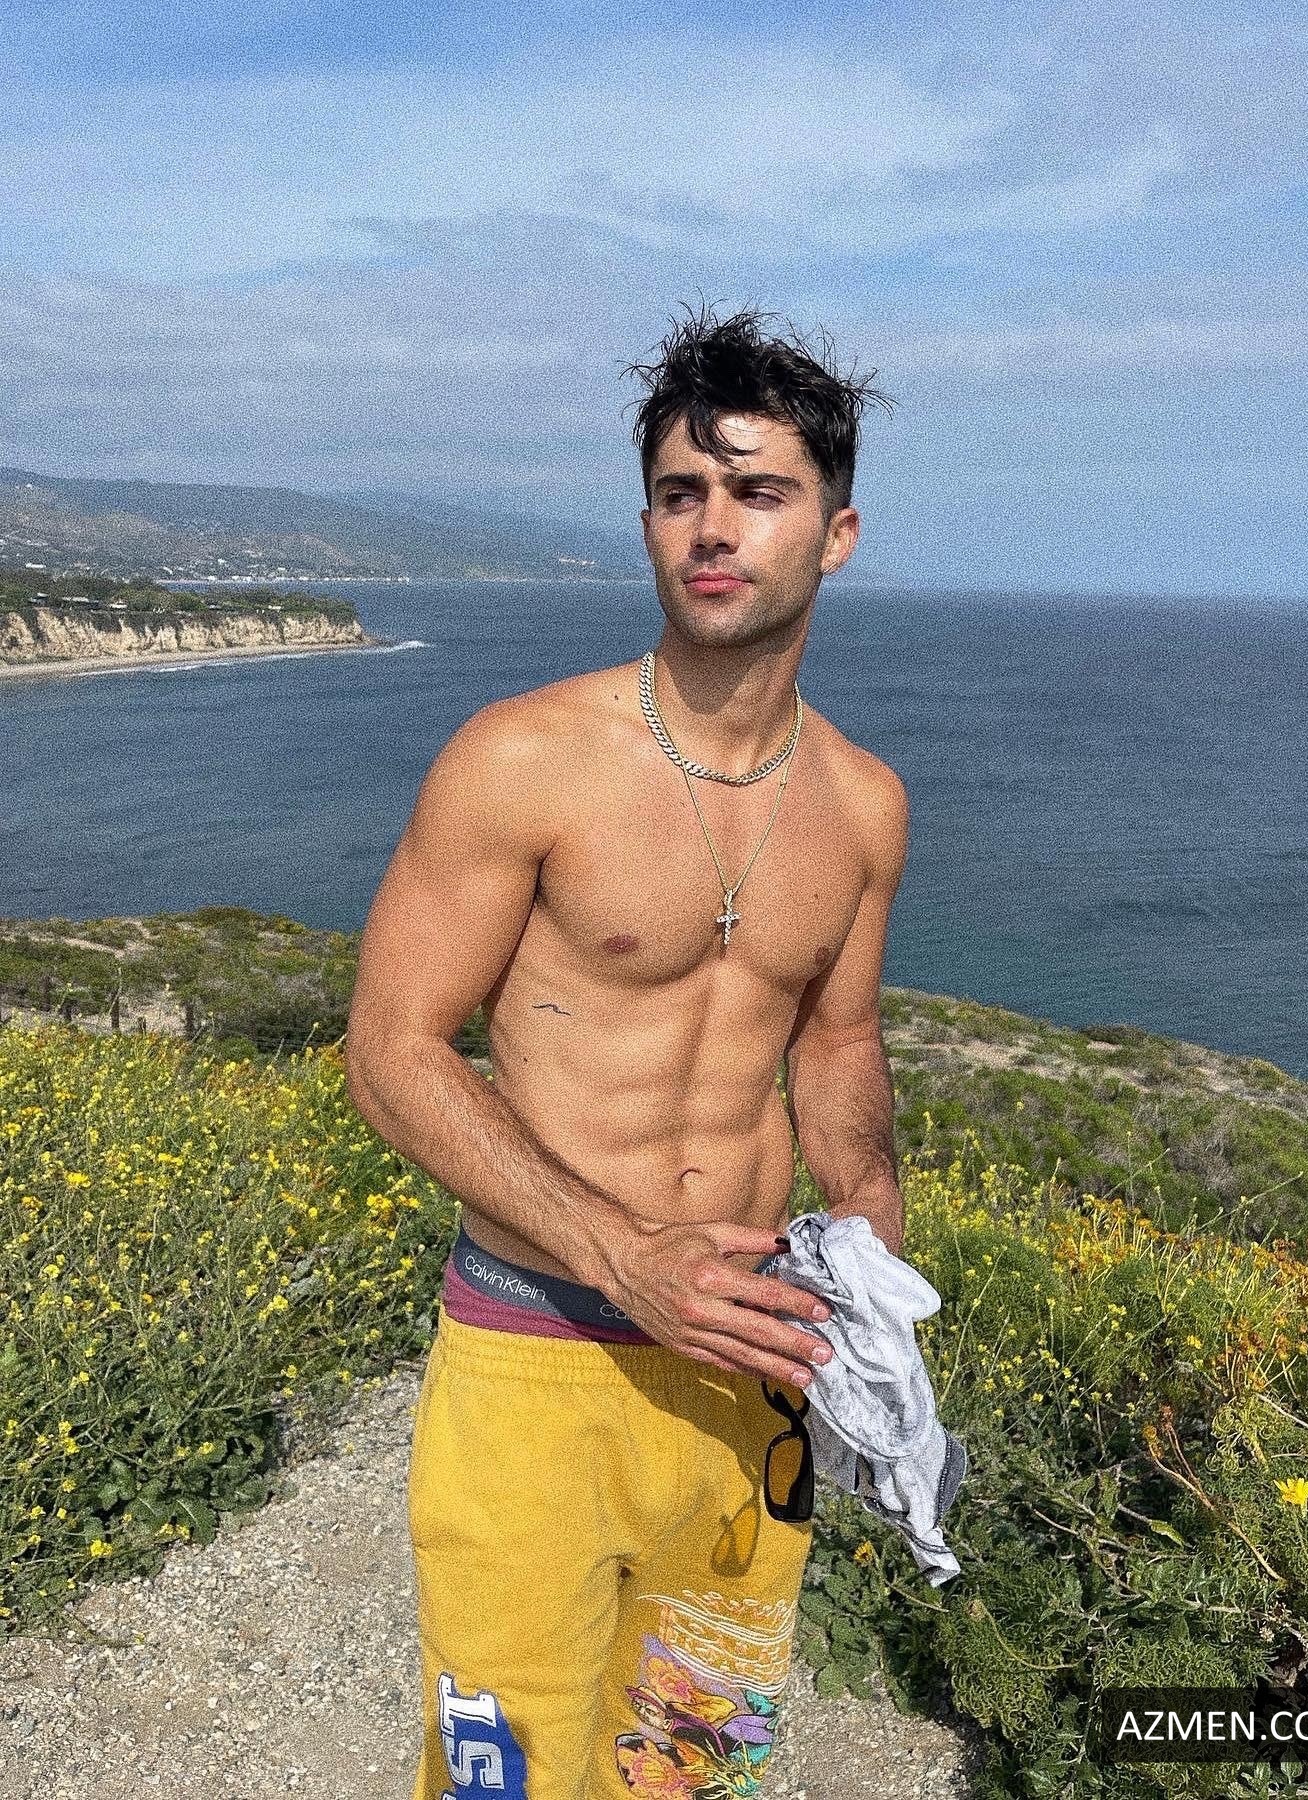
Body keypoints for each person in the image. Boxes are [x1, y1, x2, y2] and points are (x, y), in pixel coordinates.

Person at [344, 302, 906, 1800]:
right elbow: (392, 1048)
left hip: (752, 1367)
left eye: (759, 490)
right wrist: (620, 1254)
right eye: (679, 492)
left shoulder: (863, 805)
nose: (713, 527)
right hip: (538, 1350)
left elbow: (838, 1048)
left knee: (694, 1763)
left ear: (838, 534)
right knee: (507, 1774)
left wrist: (872, 1264)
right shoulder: (521, 759)